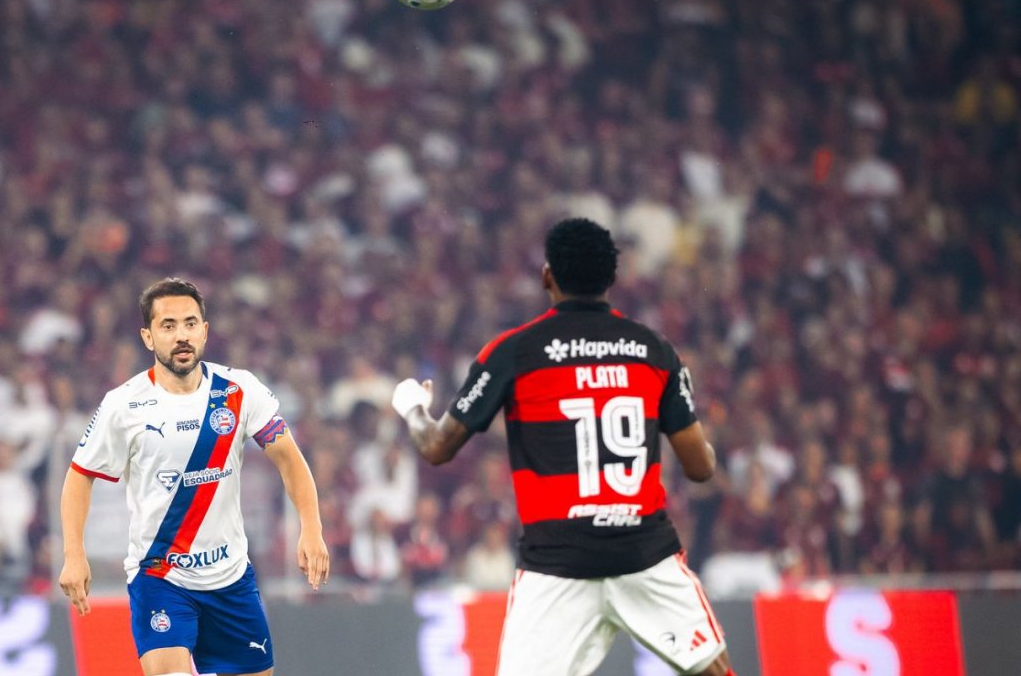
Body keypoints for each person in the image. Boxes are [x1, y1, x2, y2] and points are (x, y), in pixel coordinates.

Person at [390, 218, 734, 676]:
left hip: (556, 566)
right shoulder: (655, 351)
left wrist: (412, 406)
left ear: (547, 275)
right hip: (645, 557)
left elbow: (436, 447)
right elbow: (699, 468)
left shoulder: (514, 351)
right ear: (612, 278)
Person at [58, 277, 330, 676]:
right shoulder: (124, 405)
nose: (181, 335)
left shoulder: (240, 390)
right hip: (160, 576)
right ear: (148, 337)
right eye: (168, 326)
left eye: (189, 323)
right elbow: (79, 478)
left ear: (204, 331)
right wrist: (74, 555)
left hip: (231, 577)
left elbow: (290, 459)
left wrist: (311, 528)